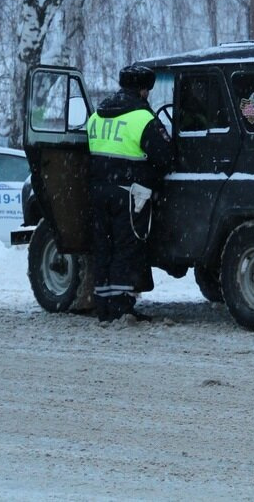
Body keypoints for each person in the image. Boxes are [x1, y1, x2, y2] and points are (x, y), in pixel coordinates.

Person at [86, 63, 172, 324]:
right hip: (130, 193)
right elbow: (165, 157)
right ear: (143, 90)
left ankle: (104, 306)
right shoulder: (143, 119)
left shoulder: (96, 116)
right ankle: (122, 307)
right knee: (126, 248)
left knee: (104, 247)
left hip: (98, 191)